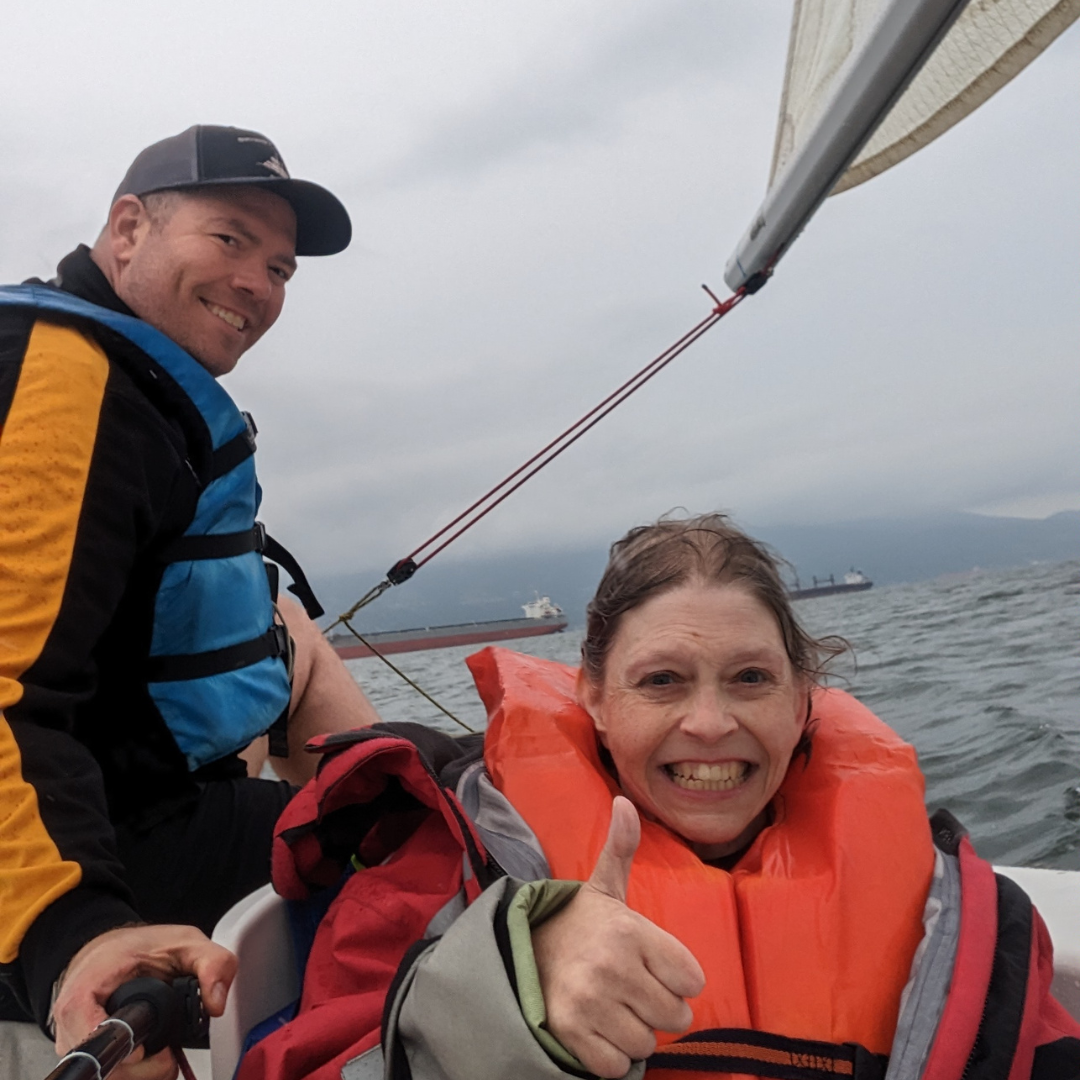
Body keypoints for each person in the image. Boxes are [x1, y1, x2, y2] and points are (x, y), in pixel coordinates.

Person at [245, 513, 1080, 1080]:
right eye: (663, 682)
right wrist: (508, 987)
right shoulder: (446, 866)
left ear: (803, 701)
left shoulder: (955, 915)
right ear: (595, 700)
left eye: (751, 678)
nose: (710, 723)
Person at [0, 125, 381, 1078]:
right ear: (128, 228)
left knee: (311, 665)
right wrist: (78, 938)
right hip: (70, 866)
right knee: (419, 840)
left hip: (123, 792)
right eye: (229, 239)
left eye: (282, 266)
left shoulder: (124, 382)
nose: (259, 282)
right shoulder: (65, 386)